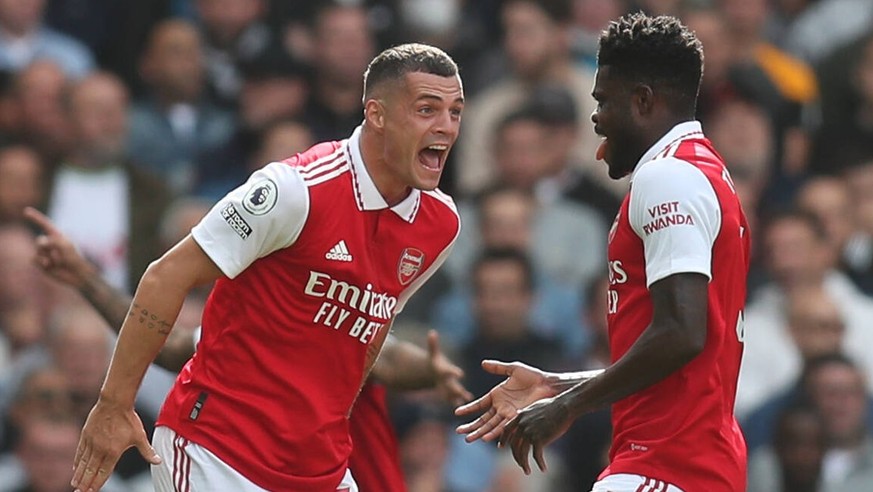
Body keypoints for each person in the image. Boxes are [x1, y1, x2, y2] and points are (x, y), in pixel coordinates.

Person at [69, 42, 465, 492]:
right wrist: (114, 403)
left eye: (455, 112)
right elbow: (166, 275)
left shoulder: (441, 226)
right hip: (214, 453)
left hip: (320, 466)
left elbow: (369, 330)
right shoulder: (295, 189)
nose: (446, 127)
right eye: (428, 110)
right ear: (376, 114)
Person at [456, 13, 751, 492]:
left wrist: (567, 407)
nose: (595, 117)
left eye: (602, 100)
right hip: (694, 463)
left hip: (663, 464)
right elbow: (674, 355)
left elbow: (681, 332)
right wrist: (557, 386)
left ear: (642, 100)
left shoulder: (667, 178)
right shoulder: (706, 173)